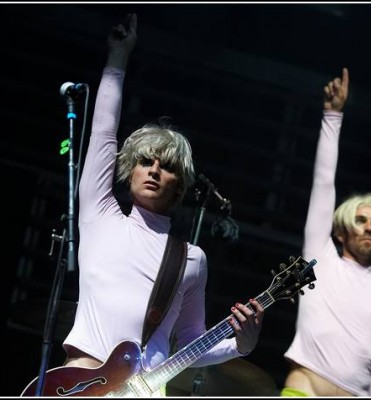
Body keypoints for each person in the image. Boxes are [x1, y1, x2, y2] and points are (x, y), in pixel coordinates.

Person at [59, 13, 264, 395]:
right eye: (145, 161)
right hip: (80, 382)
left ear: (181, 186)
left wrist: (240, 346)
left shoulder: (191, 259)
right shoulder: (99, 215)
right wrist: (117, 59)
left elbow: (189, 345)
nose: (154, 170)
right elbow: (103, 131)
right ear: (129, 169)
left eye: (167, 166)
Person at [281, 68, 371, 397]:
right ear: (340, 232)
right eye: (361, 219)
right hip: (303, 388)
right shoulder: (320, 260)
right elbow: (323, 183)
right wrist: (332, 115)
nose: (368, 227)